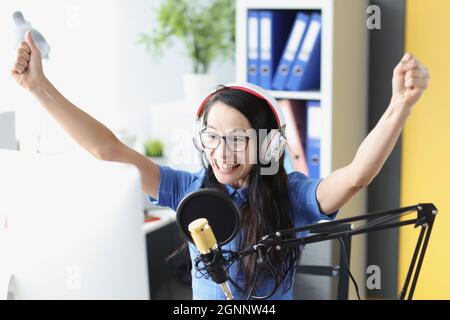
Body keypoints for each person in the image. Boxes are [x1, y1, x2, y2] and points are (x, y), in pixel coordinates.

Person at [10, 31, 429, 300]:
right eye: (212, 138)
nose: (222, 153)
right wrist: (39, 88)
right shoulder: (187, 190)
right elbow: (108, 152)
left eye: (238, 140)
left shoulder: (293, 195)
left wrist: (399, 107)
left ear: (267, 146)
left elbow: (356, 176)